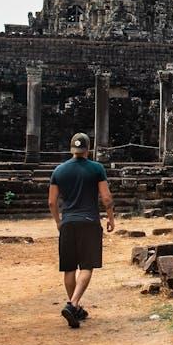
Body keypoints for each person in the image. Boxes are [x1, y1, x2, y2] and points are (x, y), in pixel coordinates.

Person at [48, 132, 115, 328]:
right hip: (89, 221)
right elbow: (107, 198)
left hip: (68, 222)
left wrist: (59, 222)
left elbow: (52, 202)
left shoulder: (59, 171)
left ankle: (74, 308)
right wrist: (110, 218)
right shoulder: (96, 169)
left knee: (69, 267)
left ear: (72, 149)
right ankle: (73, 303)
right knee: (86, 266)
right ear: (88, 149)